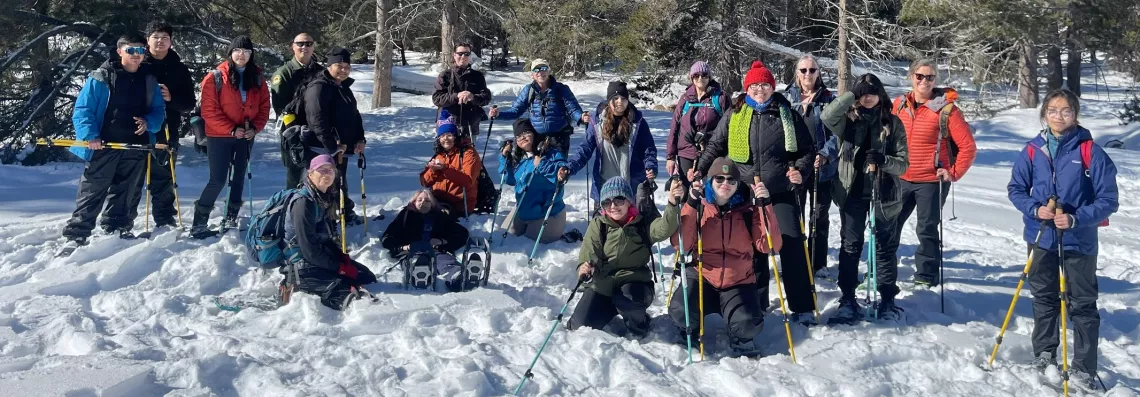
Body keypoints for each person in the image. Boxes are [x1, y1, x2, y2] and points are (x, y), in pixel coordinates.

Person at [1007, 89, 1118, 392]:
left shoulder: (1089, 151)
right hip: (1041, 235)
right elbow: (1016, 187)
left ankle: (1084, 367)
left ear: (1075, 114)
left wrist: (1076, 218)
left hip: (1078, 240)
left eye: (1066, 111)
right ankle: (1044, 352)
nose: (1059, 116)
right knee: (1043, 298)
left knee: (1082, 304)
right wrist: (1035, 208)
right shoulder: (1033, 149)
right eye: (1053, 110)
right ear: (1044, 114)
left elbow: (1109, 199)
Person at [693, 60, 817, 324]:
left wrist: (800, 171)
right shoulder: (734, 114)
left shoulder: (787, 114)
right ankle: (755, 303)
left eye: (764, 84)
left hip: (778, 191)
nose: (759, 89)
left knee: (791, 243)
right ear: (747, 88)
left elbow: (807, 151)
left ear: (772, 87)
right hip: (744, 193)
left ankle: (802, 306)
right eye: (754, 85)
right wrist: (699, 170)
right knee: (751, 248)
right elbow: (715, 145)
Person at [61, 33, 166, 248]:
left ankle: (118, 229)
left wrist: (149, 123)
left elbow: (158, 110)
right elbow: (83, 109)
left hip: (136, 145)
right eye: (131, 50)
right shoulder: (101, 77)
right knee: (92, 190)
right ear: (120, 51)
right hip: (104, 144)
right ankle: (76, 235)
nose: (136, 55)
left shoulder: (149, 80)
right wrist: (90, 136)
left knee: (128, 191)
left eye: (140, 50)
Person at [669, 157, 781, 357]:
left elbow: (768, 246)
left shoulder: (748, 210)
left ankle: (739, 333)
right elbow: (682, 245)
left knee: (748, 324)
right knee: (680, 310)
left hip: (737, 280)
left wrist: (766, 206)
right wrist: (691, 204)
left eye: (731, 180)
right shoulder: (700, 206)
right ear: (710, 181)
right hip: (703, 275)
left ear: (738, 184)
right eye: (719, 179)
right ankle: (690, 327)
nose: (725, 184)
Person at [820, 73, 909, 323]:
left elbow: (903, 165)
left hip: (885, 194)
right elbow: (827, 116)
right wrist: (850, 94)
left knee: (884, 247)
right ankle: (848, 297)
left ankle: (888, 298)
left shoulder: (891, 123)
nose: (867, 97)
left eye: (872, 92)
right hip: (851, 192)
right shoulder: (846, 120)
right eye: (862, 93)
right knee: (851, 246)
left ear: (880, 94)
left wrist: (884, 161)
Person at [888, 59, 978, 288]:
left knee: (926, 228)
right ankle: (882, 270)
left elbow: (968, 146)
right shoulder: (899, 104)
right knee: (889, 224)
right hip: (900, 177)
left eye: (930, 77)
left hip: (931, 180)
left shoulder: (946, 109)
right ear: (911, 77)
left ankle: (926, 275)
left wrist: (953, 173)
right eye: (920, 76)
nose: (924, 81)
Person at [568, 177, 682, 337]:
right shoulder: (599, 224)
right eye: (607, 202)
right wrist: (584, 267)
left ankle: (639, 323)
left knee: (627, 300)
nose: (613, 206)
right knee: (579, 326)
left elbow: (664, 228)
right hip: (603, 285)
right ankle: (610, 307)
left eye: (619, 200)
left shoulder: (642, 223)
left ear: (629, 201)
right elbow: (589, 251)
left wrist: (672, 204)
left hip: (634, 283)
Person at [190, 36, 271, 239]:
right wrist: (231, 129)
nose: (241, 55)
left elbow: (264, 108)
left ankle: (231, 216)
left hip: (246, 134)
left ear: (251, 55)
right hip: (219, 136)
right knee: (218, 179)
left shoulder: (258, 78)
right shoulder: (215, 77)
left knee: (239, 177)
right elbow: (209, 111)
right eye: (237, 51)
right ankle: (199, 222)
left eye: (246, 51)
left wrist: (256, 127)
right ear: (230, 53)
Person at [282, 155, 378, 310]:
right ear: (310, 173)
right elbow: (309, 249)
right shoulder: (303, 203)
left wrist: (341, 259)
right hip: (302, 263)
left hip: (319, 256)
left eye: (330, 170)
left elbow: (325, 237)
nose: (327, 174)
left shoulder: (324, 197)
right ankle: (296, 287)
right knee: (351, 296)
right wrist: (339, 267)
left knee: (367, 278)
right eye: (321, 170)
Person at [127, 21, 196, 230]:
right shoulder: (137, 62)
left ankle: (165, 218)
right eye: (156, 36)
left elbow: (189, 104)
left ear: (171, 42)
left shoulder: (179, 68)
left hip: (167, 128)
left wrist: (170, 98)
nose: (160, 41)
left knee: (164, 176)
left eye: (165, 37)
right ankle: (124, 219)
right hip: (135, 128)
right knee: (132, 176)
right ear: (147, 40)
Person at [783, 55, 838, 276]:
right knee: (796, 215)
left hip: (821, 167)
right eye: (803, 70)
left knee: (819, 216)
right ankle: (797, 260)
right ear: (797, 73)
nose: (808, 74)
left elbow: (838, 132)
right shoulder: (787, 99)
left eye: (812, 70)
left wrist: (826, 154)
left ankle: (817, 262)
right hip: (795, 167)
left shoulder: (828, 99)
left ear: (818, 73)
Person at [565, 82, 657, 213]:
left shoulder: (638, 122)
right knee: (601, 230)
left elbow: (649, 149)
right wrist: (571, 167)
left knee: (634, 230)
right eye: (615, 98)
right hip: (604, 188)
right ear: (609, 100)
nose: (620, 102)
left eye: (624, 99)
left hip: (632, 187)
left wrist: (651, 166)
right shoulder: (596, 122)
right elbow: (585, 149)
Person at [301, 47, 366, 224]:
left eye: (347, 66)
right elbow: (317, 121)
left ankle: (342, 212)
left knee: (339, 182)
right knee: (322, 184)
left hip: (341, 147)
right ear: (329, 65)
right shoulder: (319, 87)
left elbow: (354, 115)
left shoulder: (343, 87)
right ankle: (319, 220)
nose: (344, 70)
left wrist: (359, 139)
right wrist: (332, 147)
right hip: (321, 148)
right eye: (339, 65)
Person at [488, 59, 589, 155]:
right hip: (537, 138)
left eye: (543, 68)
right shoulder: (528, 90)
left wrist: (581, 117)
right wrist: (498, 114)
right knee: (539, 170)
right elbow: (516, 111)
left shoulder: (561, 89)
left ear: (548, 71)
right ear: (532, 75)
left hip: (560, 137)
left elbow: (573, 109)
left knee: (558, 170)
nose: (540, 72)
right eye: (536, 69)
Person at [380, 189, 474, 292]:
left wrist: (441, 241)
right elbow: (388, 237)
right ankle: (419, 275)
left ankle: (458, 278)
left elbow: (462, 233)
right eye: (419, 200)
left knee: (448, 264)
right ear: (414, 202)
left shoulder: (439, 217)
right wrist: (402, 247)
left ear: (432, 204)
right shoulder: (405, 216)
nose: (423, 203)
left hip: (436, 251)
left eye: (427, 201)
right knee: (417, 263)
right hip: (411, 252)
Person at [499, 118, 570, 244]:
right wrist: (505, 159)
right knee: (505, 238)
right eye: (518, 136)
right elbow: (510, 180)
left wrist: (542, 164)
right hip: (523, 211)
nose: (522, 137)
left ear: (534, 133)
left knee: (525, 245)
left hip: (546, 214)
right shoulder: (522, 159)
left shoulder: (552, 154)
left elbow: (562, 175)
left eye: (526, 133)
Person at [666, 61, 730, 189]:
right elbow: (674, 127)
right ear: (692, 78)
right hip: (686, 152)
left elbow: (728, 126)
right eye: (696, 75)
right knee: (686, 193)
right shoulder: (685, 99)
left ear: (709, 77)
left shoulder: (720, 98)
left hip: (712, 152)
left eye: (704, 75)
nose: (700, 78)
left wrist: (708, 136)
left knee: (709, 193)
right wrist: (670, 157)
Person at [272, 32, 324, 189]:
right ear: (292, 47)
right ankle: (293, 210)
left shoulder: (321, 72)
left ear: (313, 46)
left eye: (308, 44)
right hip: (293, 133)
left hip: (317, 132)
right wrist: (295, 130)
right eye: (300, 44)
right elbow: (280, 107)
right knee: (295, 178)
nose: (304, 47)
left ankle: (319, 211)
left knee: (320, 174)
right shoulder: (284, 73)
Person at [420, 110, 479, 218]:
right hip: (438, 200)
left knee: (437, 218)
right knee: (411, 209)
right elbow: (425, 182)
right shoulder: (439, 155)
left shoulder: (467, 153)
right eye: (442, 136)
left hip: (459, 205)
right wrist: (433, 170)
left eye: (449, 135)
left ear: (455, 136)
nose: (445, 139)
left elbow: (468, 181)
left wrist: (445, 169)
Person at [431, 43, 492, 146]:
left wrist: (472, 97)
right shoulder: (445, 75)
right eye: (460, 53)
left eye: (467, 54)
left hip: (470, 125)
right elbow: (437, 99)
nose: (463, 57)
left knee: (469, 159)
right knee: (447, 160)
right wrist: (456, 96)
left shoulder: (477, 76)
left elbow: (486, 97)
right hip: (448, 125)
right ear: (454, 55)